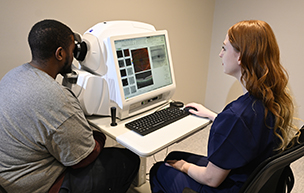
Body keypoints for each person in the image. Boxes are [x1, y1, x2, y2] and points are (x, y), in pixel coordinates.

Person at [149, 20, 300, 193]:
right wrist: (215, 116)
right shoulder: (272, 98)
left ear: (240, 56)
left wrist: (184, 167)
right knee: (173, 157)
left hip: (229, 187)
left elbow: (211, 179)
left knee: (159, 170)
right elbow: (244, 130)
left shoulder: (236, 116)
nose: (220, 54)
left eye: (224, 48)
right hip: (250, 177)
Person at [0, 19, 140, 193]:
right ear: (60, 54)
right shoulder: (56, 97)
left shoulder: (12, 75)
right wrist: (99, 136)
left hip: (10, 176)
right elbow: (84, 157)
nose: (74, 56)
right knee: (128, 159)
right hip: (38, 186)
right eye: (73, 50)